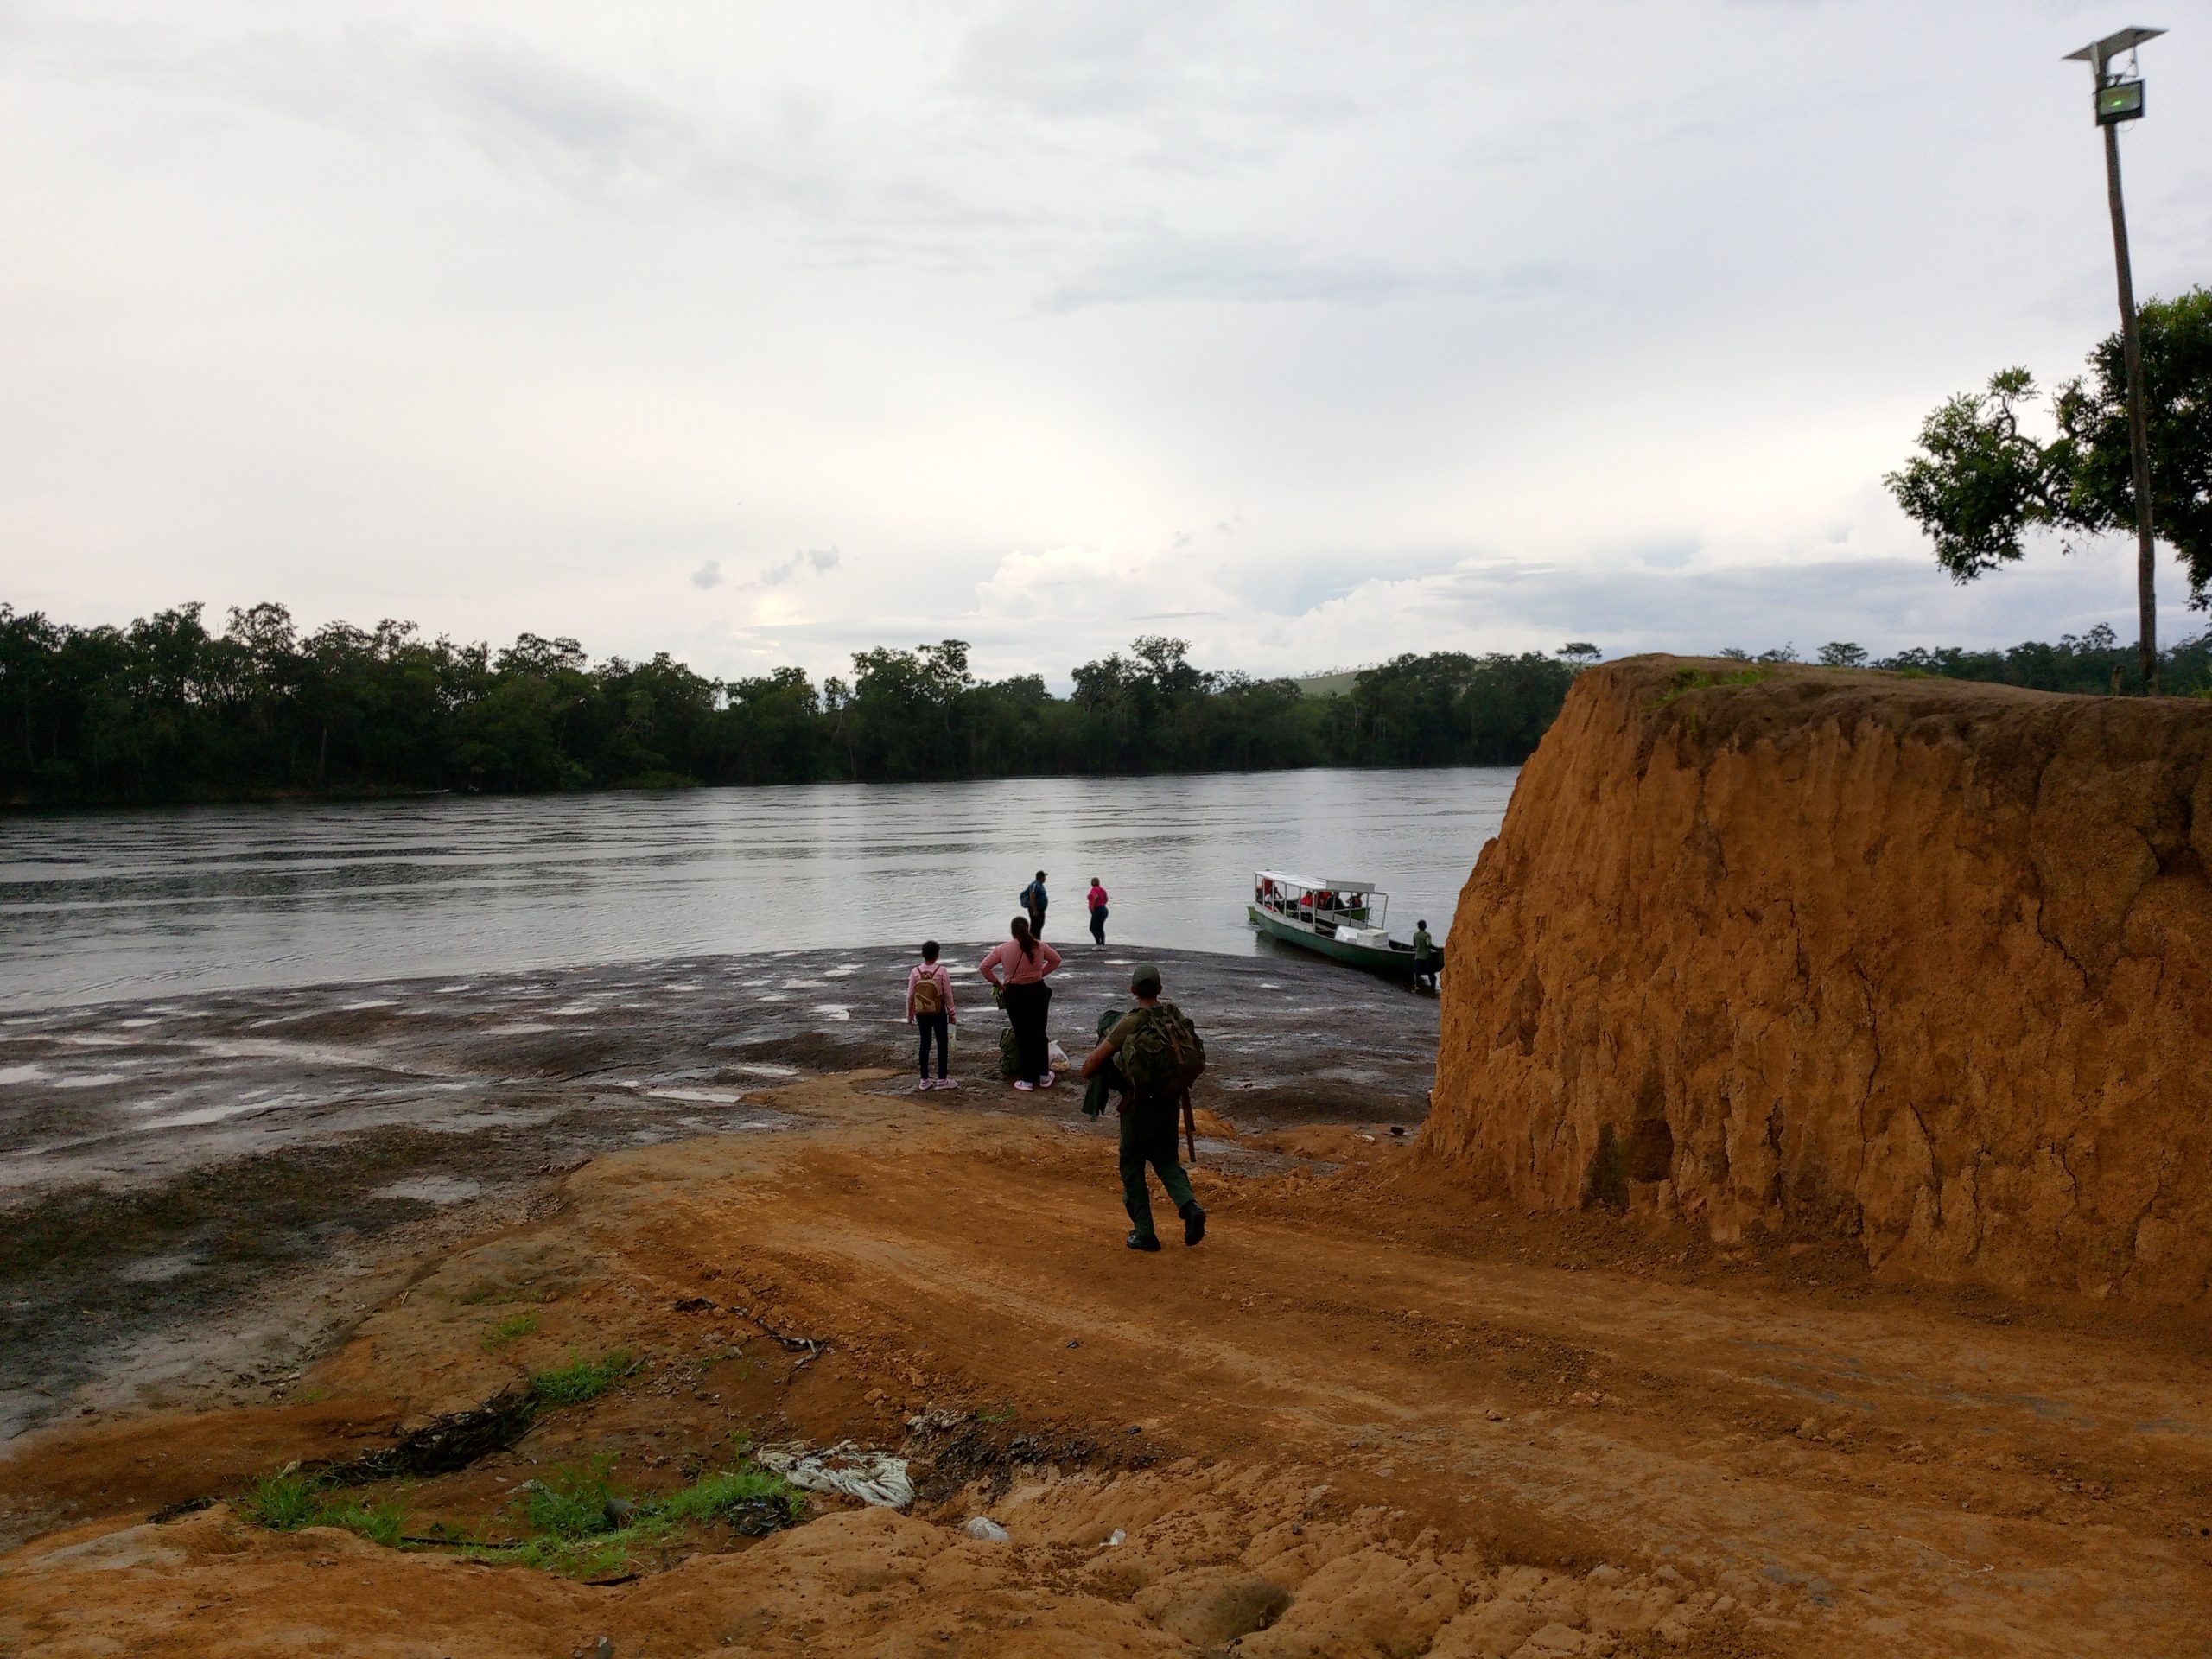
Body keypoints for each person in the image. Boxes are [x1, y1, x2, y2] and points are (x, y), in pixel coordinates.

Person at [1081, 963, 1207, 1252]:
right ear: (1160, 990)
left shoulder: (1130, 1022)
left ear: (1133, 991)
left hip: (1138, 1108)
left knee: (1132, 1168)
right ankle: (1190, 1207)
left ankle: (1145, 1233)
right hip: (1170, 1104)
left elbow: (1089, 1067)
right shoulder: (1173, 1017)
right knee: (1166, 1161)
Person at [978, 916, 1062, 1091]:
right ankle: (1044, 1075)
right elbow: (1056, 960)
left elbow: (984, 967)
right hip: (1038, 991)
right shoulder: (1040, 945)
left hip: (1014, 994)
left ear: (1012, 931)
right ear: (1028, 928)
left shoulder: (1003, 949)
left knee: (1023, 1035)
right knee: (1039, 1033)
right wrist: (1040, 973)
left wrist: (998, 983)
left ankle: (1028, 1080)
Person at [906, 939, 957, 1089]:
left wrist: (910, 1015)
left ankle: (924, 1080)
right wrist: (951, 1011)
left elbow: (910, 996)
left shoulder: (915, 972)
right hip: (938, 1011)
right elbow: (948, 994)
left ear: (923, 955)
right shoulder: (941, 971)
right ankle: (942, 1080)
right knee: (942, 1044)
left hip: (921, 1012)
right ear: (937, 954)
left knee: (925, 1043)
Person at [1020, 870, 1049, 940]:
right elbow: (1032, 897)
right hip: (1035, 909)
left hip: (1040, 909)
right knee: (1035, 926)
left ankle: (1037, 939)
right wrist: (1035, 910)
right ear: (1041, 877)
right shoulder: (1035, 885)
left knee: (1039, 925)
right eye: (1044, 877)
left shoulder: (1040, 885)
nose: (1045, 878)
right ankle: (1032, 940)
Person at [1411, 919, 1437, 993]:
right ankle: (1433, 989)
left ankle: (1417, 987)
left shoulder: (1415, 935)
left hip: (1418, 957)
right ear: (1425, 926)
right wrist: (1437, 949)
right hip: (1426, 957)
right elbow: (1429, 944)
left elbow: (1415, 945)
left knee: (1416, 973)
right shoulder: (1427, 935)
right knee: (1431, 975)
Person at [1086, 874, 1109, 947]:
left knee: (1093, 928)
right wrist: (1102, 905)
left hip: (1098, 910)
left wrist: (1093, 907)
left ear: (1092, 883)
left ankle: (1098, 944)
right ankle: (1102, 945)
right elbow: (1106, 899)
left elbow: (1095, 897)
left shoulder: (1094, 889)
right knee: (1100, 927)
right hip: (1104, 910)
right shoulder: (1102, 890)